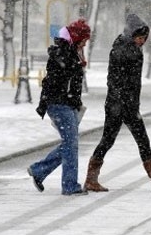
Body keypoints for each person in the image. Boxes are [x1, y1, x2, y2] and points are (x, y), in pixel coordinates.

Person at [83, 14, 151, 192]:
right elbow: (116, 80)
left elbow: (129, 81)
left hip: (123, 104)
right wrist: (125, 102)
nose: (142, 41)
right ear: (132, 34)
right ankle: (92, 179)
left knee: (122, 140)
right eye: (140, 38)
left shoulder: (128, 48)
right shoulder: (124, 50)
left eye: (144, 38)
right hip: (120, 105)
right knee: (122, 140)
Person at [27, 19, 91, 196]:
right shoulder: (63, 53)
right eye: (84, 39)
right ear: (77, 37)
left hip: (66, 104)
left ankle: (39, 170)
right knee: (71, 144)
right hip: (59, 104)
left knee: (70, 144)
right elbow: (56, 81)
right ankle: (69, 185)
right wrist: (76, 65)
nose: (86, 43)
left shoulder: (72, 53)